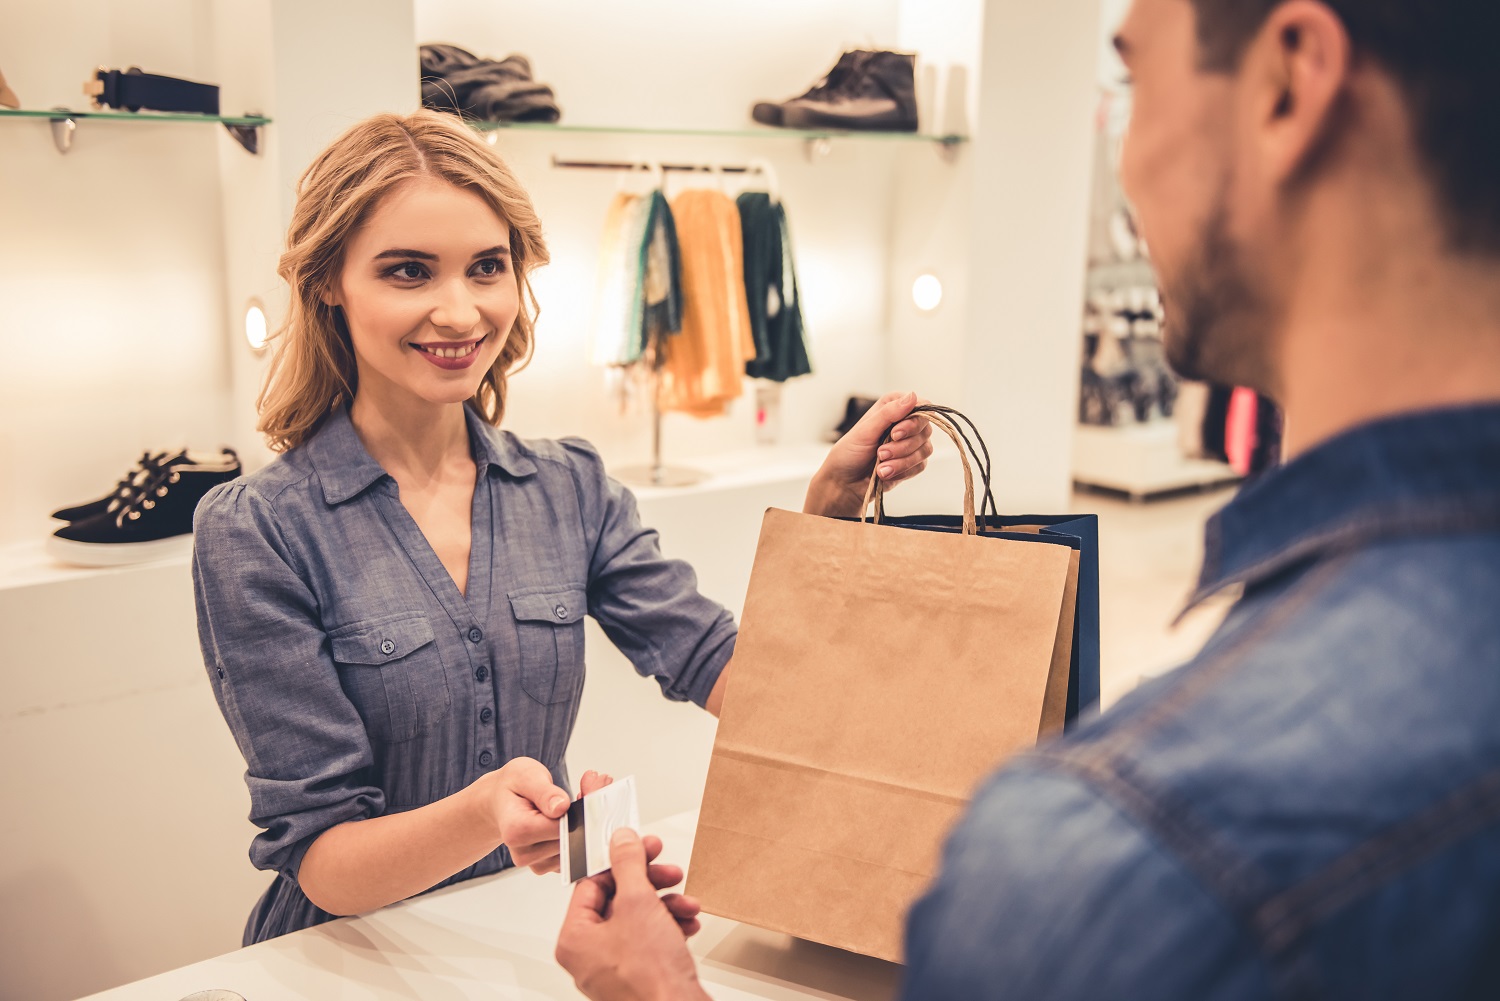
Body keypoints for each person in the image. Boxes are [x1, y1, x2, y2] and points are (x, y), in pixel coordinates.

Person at [555, 0, 1500, 997]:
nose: (1126, 162)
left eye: (1135, 81)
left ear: (1288, 83)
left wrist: (657, 989)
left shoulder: (1121, 856)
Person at [190, 108, 934, 945]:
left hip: (510, 933)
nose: (460, 311)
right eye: (408, 272)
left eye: (486, 267)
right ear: (330, 280)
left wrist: (827, 512)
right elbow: (321, 860)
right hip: (340, 959)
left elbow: (733, 676)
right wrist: (480, 813)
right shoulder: (260, 531)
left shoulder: (566, 486)